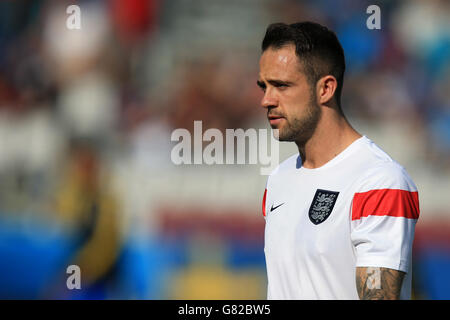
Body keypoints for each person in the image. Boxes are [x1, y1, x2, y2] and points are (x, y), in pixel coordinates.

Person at [258, 22, 419, 300]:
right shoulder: (278, 180)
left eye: (281, 86)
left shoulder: (379, 181)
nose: (266, 100)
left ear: (325, 89)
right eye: (264, 86)